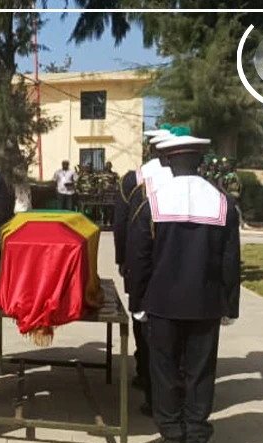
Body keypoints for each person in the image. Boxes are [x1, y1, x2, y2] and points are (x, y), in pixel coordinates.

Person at [129, 127, 240, 443]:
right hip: (206, 304)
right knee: (200, 372)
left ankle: (171, 440)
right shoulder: (223, 203)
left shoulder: (154, 202)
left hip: (162, 304)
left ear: (167, 161)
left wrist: (137, 302)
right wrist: (229, 306)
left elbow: (140, 259)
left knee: (164, 372)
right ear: (201, 162)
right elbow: (230, 261)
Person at [115, 126, 174, 416]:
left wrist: (121, 260)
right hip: (184, 270)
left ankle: (146, 376)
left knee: (143, 320)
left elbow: (122, 222)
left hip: (141, 263)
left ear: (150, 149)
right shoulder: (193, 180)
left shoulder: (135, 179)